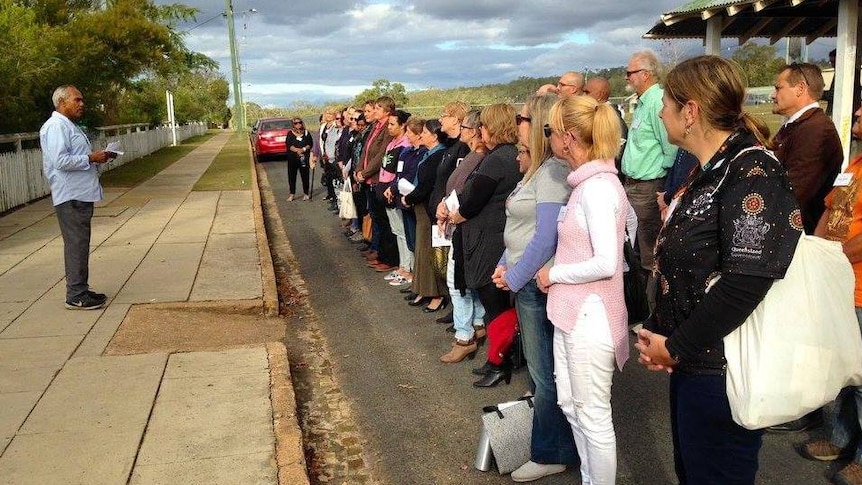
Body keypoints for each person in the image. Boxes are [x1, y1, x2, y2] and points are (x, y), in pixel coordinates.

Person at [636, 55, 802, 485]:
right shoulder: (710, 171)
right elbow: (686, 264)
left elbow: (746, 282)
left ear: (690, 111)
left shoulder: (752, 171)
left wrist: (675, 346)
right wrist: (661, 332)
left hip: (724, 372)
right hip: (693, 363)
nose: (660, 111)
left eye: (667, 104)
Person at [533, 94, 628, 485]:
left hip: (592, 317)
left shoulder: (599, 188)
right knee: (571, 405)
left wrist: (555, 273)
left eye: (550, 131)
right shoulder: (586, 185)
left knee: (592, 414)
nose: (549, 138)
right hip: (573, 313)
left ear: (569, 137)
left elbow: (607, 262)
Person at [490, 94, 578, 482]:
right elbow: (522, 233)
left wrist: (513, 275)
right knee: (543, 372)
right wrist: (503, 264)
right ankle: (555, 442)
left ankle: (552, 452)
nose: (517, 122)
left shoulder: (554, 173)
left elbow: (545, 239)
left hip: (536, 283)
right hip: (525, 276)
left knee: (545, 374)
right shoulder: (537, 170)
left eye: (522, 117)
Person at [800, 104, 862, 485]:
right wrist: (816, 251)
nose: (856, 113)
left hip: (858, 286)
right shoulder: (854, 166)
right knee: (841, 367)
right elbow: (829, 209)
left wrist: (835, 256)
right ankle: (839, 438)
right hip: (837, 280)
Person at [448, 103, 521, 387]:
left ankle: (499, 360)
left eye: (483, 126)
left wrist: (458, 213)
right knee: (497, 303)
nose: (480, 131)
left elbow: (472, 199)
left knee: (495, 304)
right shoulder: (508, 155)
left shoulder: (496, 160)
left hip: (488, 240)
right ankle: (499, 356)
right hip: (495, 236)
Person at [40, 85, 113, 310]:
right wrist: (91, 158)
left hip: (80, 193)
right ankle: (76, 295)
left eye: (82, 100)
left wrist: (98, 158)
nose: (82, 104)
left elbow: (73, 157)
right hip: (70, 195)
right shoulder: (55, 126)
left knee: (80, 243)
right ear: (62, 102)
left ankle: (80, 288)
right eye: (77, 100)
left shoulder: (68, 125)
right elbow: (60, 161)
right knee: (76, 244)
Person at [620, 50, 677, 312]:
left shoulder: (656, 102)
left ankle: (651, 310)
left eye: (630, 72)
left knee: (647, 249)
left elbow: (670, 148)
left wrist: (663, 184)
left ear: (645, 74)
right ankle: (643, 306)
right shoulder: (644, 101)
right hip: (634, 185)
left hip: (648, 186)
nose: (627, 77)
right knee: (635, 244)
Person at [437, 109, 488, 363]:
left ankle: (464, 337)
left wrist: (448, 209)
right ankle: (477, 324)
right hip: (459, 221)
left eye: (467, 129)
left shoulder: (479, 157)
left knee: (457, 285)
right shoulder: (473, 155)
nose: (464, 133)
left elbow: (466, 193)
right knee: (465, 283)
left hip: (464, 225)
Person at [771, 62, 843, 235]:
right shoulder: (799, 125)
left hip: (797, 237)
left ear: (800, 88)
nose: (773, 95)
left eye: (778, 88)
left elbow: (793, 191)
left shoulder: (816, 130)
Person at [402, 119, 448, 312]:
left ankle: (436, 293)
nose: (421, 135)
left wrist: (409, 197)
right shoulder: (428, 153)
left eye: (425, 132)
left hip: (428, 208)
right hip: (421, 207)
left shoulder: (438, 155)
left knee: (430, 251)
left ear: (434, 135)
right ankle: (422, 288)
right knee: (421, 249)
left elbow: (426, 185)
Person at [378, 109, 413, 283]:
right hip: (385, 191)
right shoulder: (392, 142)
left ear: (403, 125)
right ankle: (402, 265)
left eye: (392, 124)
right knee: (396, 230)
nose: (389, 127)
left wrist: (393, 189)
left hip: (396, 193)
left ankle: (407, 268)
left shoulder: (405, 145)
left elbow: (401, 174)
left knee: (403, 232)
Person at [286, 117, 313, 201]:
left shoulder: (306, 133)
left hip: (304, 158)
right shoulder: (290, 133)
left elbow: (310, 144)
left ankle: (306, 193)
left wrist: (303, 149)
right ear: (293, 125)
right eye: (296, 123)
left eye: (300, 122)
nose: (298, 124)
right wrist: (297, 150)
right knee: (292, 176)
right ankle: (292, 194)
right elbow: (289, 145)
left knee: (305, 176)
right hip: (292, 159)